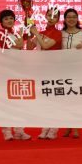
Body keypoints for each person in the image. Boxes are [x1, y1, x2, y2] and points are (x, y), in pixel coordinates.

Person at [0, 9, 31, 141]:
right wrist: (22, 34)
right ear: (1, 22)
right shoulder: (2, 33)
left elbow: (29, 36)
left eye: (11, 18)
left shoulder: (15, 33)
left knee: (19, 101)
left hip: (18, 71)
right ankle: (6, 131)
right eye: (6, 19)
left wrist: (29, 18)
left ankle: (19, 130)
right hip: (7, 72)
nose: (9, 21)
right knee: (7, 102)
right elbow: (20, 44)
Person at [30, 8, 62, 139]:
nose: (51, 18)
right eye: (49, 15)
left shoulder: (58, 33)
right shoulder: (41, 33)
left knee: (54, 100)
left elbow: (45, 46)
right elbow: (30, 47)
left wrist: (36, 33)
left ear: (58, 19)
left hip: (54, 70)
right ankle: (44, 128)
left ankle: (54, 129)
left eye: (54, 16)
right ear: (45, 16)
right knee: (44, 100)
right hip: (41, 70)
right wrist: (29, 34)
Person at [61, 8, 82, 138]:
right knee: (66, 100)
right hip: (63, 70)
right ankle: (68, 126)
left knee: (75, 99)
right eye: (68, 17)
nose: (71, 19)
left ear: (77, 19)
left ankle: (76, 128)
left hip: (78, 70)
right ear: (65, 19)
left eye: (74, 17)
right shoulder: (60, 34)